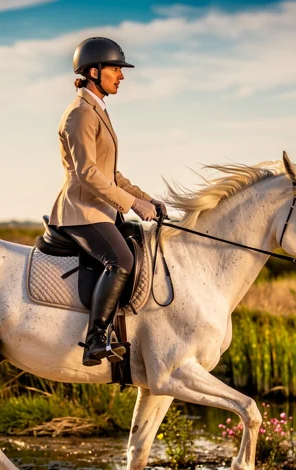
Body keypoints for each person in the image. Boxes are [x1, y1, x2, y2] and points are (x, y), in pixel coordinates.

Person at [49, 37, 167, 367]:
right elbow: (88, 173)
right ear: (93, 71)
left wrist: (147, 199)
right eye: (115, 69)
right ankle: (95, 340)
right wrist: (131, 204)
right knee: (121, 261)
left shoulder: (97, 111)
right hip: (81, 212)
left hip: (100, 208)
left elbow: (111, 173)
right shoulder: (80, 115)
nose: (121, 76)